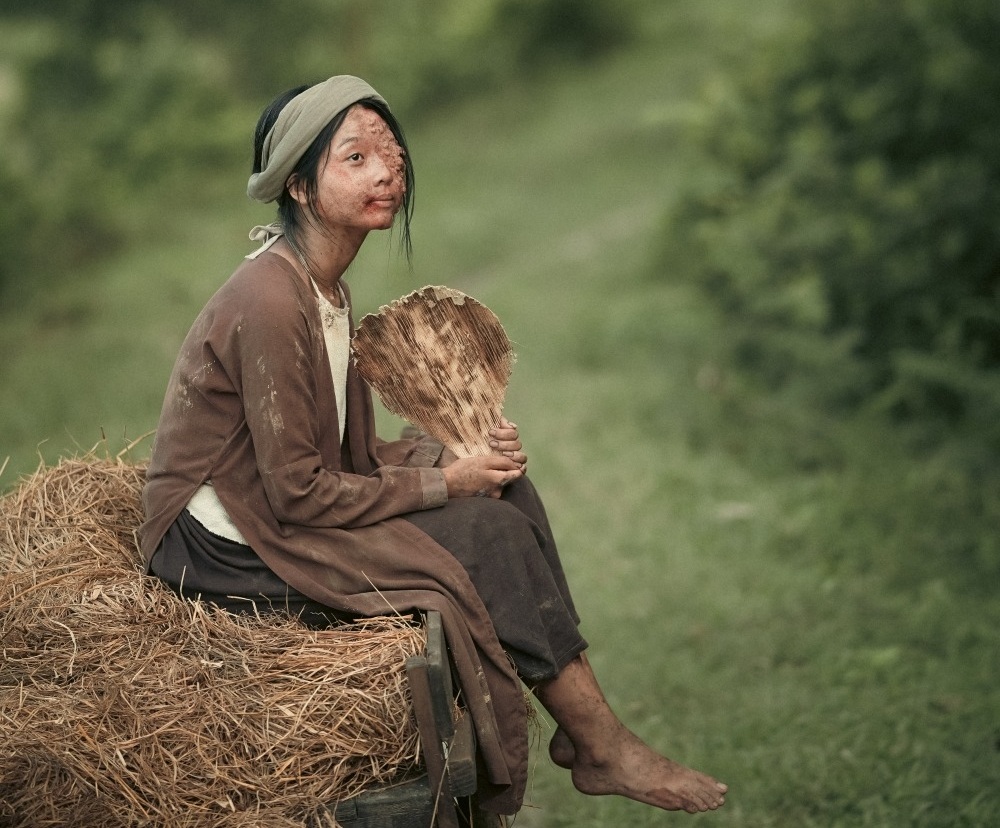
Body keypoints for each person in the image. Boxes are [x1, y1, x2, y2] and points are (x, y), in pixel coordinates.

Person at [139, 75, 727, 818]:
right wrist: (448, 485)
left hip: (271, 504)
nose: (387, 171)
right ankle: (604, 744)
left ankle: (586, 737)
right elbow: (294, 493)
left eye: (392, 155)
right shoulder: (268, 301)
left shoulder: (325, 289)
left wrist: (454, 453)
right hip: (221, 543)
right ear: (297, 185)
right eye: (355, 158)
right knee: (479, 529)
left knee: (506, 488)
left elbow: (342, 452)